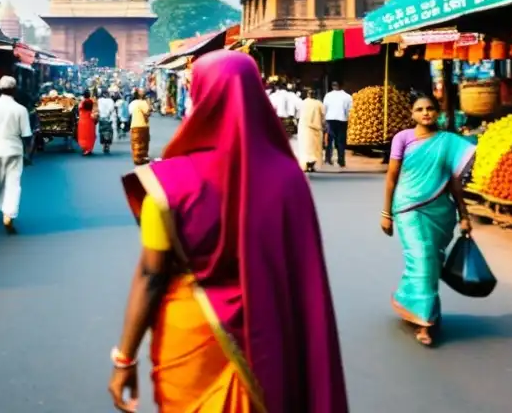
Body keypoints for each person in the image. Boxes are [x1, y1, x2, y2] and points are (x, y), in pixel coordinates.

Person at [109, 51, 347, 413]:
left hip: (191, 334)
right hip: (269, 335)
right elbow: (305, 280)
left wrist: (124, 359)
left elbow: (151, 275)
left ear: (200, 97)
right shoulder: (289, 179)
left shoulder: (169, 183)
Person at [381, 94, 474, 347]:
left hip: (441, 211)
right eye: (420, 109)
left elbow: (454, 182)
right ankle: (425, 323)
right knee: (421, 256)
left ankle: (412, 300)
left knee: (431, 260)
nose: (425, 113)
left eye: (430, 109)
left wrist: (464, 215)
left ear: (438, 112)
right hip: (408, 208)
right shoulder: (403, 139)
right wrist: (385, 213)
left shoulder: (449, 142)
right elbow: (392, 177)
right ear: (412, 114)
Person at [0, 76, 33, 234]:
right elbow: (27, 135)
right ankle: (9, 214)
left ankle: (5, 210)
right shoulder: (21, 109)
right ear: (14, 89)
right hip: (15, 150)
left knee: (0, 183)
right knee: (13, 183)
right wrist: (28, 153)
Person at [323, 81, 353, 168]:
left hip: (330, 120)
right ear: (342, 86)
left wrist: (324, 121)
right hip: (342, 120)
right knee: (341, 142)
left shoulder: (328, 95)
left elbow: (324, 108)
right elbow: (349, 110)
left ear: (332, 86)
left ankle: (328, 159)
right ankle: (341, 161)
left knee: (329, 141)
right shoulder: (347, 96)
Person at [297, 88, 325, 172]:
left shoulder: (302, 103)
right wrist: (323, 125)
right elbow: (323, 116)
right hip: (316, 129)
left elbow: (298, 115)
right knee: (314, 148)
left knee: (305, 147)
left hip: (304, 129)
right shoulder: (319, 103)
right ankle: (312, 165)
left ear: (308, 95)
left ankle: (306, 164)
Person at [128, 90, 152, 166]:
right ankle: (143, 158)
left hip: (134, 125)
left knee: (135, 142)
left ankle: (136, 158)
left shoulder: (132, 103)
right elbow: (148, 112)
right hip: (143, 125)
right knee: (144, 143)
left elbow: (130, 112)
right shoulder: (144, 103)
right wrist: (149, 103)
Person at [77, 90, 97, 156]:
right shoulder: (92, 101)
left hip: (83, 119)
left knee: (83, 134)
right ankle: (89, 149)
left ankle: (85, 148)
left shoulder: (82, 102)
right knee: (90, 134)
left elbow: (80, 108)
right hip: (90, 119)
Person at [97, 89, 116, 154]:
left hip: (101, 119)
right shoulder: (110, 101)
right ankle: (107, 145)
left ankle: (104, 145)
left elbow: (98, 109)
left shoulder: (99, 100)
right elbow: (112, 109)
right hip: (108, 119)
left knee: (102, 132)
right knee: (109, 132)